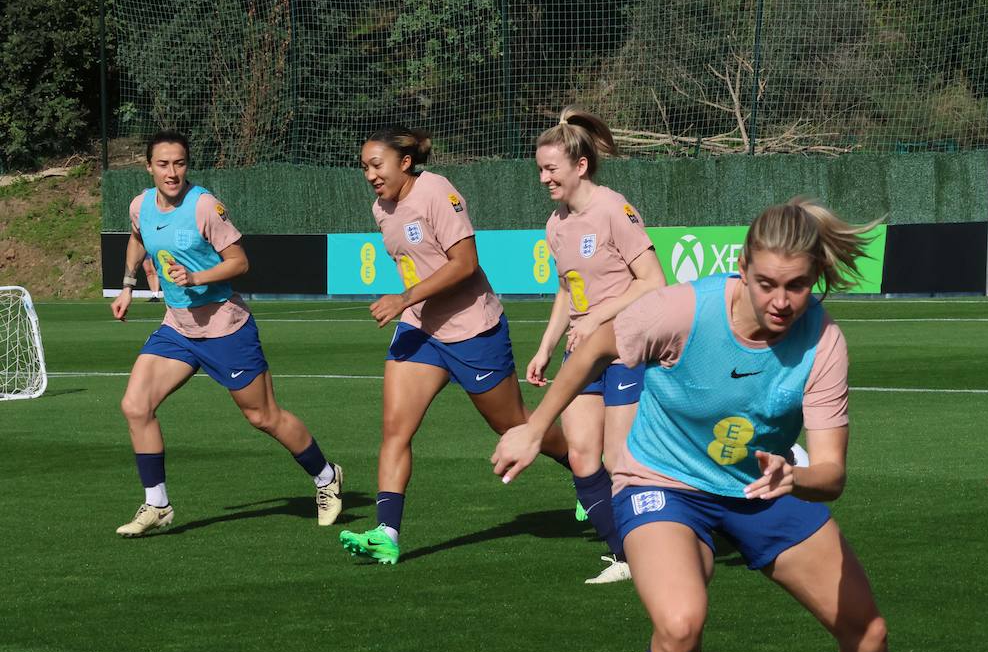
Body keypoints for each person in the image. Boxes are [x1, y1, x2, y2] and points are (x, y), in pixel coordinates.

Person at [494, 199, 949, 652]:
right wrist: (533, 425)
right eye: (766, 283)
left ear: (814, 278)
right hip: (663, 479)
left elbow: (833, 473)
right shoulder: (685, 307)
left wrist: (798, 477)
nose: (781, 300)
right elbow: (598, 345)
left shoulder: (825, 343)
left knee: (867, 635)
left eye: (796, 286)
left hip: (764, 488)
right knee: (680, 622)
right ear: (742, 269)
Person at [339, 126, 571, 564]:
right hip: (420, 330)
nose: (370, 175)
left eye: (377, 165)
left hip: (472, 330)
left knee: (513, 424)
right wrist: (410, 305)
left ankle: (584, 470)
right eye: (364, 168)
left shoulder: (436, 192)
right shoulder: (381, 208)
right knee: (395, 429)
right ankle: (386, 532)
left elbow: (465, 264)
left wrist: (404, 297)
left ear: (404, 162)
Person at [110, 130, 342, 535]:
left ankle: (326, 476)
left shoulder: (204, 207)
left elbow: (239, 262)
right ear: (148, 167)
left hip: (225, 327)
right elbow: (136, 240)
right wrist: (128, 285)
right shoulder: (139, 205)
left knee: (263, 416)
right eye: (163, 164)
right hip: (178, 328)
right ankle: (157, 504)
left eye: (179, 163)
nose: (172, 172)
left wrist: (197, 275)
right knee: (135, 406)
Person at [527, 108, 666, 584]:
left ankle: (661, 540)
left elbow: (652, 280)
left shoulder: (613, 209)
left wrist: (598, 321)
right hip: (580, 350)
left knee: (618, 460)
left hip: (625, 344)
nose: (544, 178)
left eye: (551, 170)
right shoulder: (555, 224)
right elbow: (567, 292)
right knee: (583, 458)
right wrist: (545, 346)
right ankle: (625, 556)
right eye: (541, 170)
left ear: (579, 166)